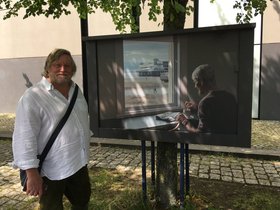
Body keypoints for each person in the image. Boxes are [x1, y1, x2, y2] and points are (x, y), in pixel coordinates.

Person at [12, 48, 92, 210]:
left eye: (68, 66)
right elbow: (24, 137)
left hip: (77, 162)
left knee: (82, 201)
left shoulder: (76, 90)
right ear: (48, 68)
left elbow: (81, 120)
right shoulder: (33, 97)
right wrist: (31, 173)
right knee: (51, 207)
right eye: (58, 65)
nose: (63, 69)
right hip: (51, 169)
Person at [177, 64, 237, 134]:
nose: (195, 86)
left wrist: (184, 121)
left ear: (201, 82)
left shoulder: (205, 103)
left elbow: (199, 133)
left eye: (196, 82)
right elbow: (218, 117)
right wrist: (197, 108)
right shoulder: (230, 96)